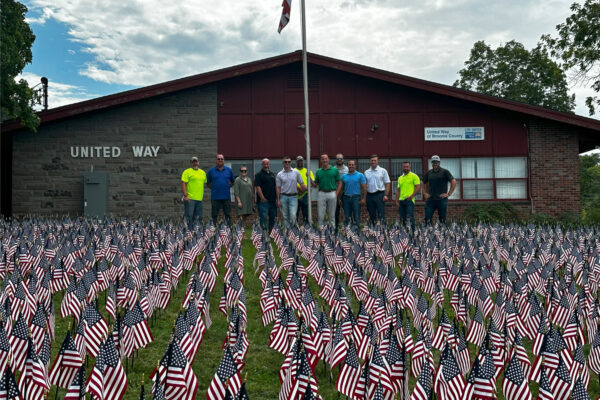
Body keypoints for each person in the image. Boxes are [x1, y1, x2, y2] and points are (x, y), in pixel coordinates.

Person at [422, 155, 456, 224]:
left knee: (442, 220)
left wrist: (449, 194)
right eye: (433, 162)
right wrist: (424, 193)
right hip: (430, 200)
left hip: (442, 199)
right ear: (432, 163)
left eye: (436, 162)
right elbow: (422, 182)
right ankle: (429, 233)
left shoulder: (445, 172)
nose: (435, 164)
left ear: (439, 163)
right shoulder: (429, 173)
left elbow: (454, 182)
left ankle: (441, 234)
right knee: (427, 220)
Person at [276, 156, 306, 228]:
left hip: (293, 197)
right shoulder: (279, 174)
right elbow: (278, 187)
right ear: (283, 163)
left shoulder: (296, 172)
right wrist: (278, 199)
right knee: (285, 216)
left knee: (293, 215)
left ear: (291, 163)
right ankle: (287, 232)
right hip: (283, 197)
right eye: (285, 162)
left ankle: (293, 232)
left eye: (289, 162)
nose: (287, 163)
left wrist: (306, 188)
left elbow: (301, 183)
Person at [312, 153, 341, 228]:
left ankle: (332, 232)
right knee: (321, 215)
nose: (324, 160)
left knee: (332, 215)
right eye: (323, 159)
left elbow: (340, 183)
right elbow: (315, 185)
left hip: (332, 193)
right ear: (321, 160)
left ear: (328, 159)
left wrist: (336, 194)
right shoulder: (318, 171)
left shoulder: (335, 170)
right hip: (322, 193)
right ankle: (320, 232)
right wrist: (309, 178)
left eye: (326, 158)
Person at [207, 154, 235, 224]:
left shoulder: (229, 170)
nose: (220, 160)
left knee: (228, 215)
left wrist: (227, 187)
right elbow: (208, 183)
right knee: (214, 215)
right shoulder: (211, 171)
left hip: (226, 197)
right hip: (215, 197)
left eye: (221, 159)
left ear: (224, 160)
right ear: (216, 160)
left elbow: (232, 182)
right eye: (218, 159)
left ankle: (229, 231)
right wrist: (214, 188)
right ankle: (214, 231)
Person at [364, 154, 391, 225]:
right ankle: (373, 232)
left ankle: (383, 232)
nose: (373, 162)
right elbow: (365, 185)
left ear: (377, 161)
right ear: (370, 161)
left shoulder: (383, 171)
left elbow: (387, 183)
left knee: (381, 214)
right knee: (372, 215)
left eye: (375, 160)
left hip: (380, 195)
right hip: (370, 195)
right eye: (372, 160)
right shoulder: (366, 172)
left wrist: (386, 195)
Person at [394, 161, 421, 230]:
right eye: (404, 167)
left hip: (409, 200)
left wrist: (411, 196)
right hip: (401, 201)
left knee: (410, 218)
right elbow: (398, 190)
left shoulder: (414, 176)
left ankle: (413, 234)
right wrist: (396, 201)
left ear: (410, 167)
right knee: (402, 219)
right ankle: (405, 234)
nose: (406, 168)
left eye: (407, 167)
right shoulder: (400, 178)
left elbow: (418, 187)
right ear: (402, 168)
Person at [181, 156, 206, 228]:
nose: (195, 163)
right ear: (190, 163)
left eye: (196, 161)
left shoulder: (203, 173)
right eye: (193, 162)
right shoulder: (187, 172)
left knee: (199, 217)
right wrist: (185, 195)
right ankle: (188, 233)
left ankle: (196, 234)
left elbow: (206, 183)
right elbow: (183, 184)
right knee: (189, 217)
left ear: (198, 162)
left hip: (199, 199)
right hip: (190, 199)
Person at [340, 159, 366, 227]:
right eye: (349, 165)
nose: (351, 166)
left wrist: (364, 199)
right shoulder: (344, 176)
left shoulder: (360, 175)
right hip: (346, 198)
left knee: (356, 216)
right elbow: (342, 189)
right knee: (347, 217)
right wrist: (339, 199)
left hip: (356, 198)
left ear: (355, 166)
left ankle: (357, 233)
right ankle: (347, 233)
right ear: (347, 166)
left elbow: (364, 188)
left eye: (352, 165)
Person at [255, 158, 277, 232]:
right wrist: (262, 197)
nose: (266, 165)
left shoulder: (272, 174)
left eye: (267, 164)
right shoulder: (258, 175)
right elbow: (258, 187)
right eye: (264, 164)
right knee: (263, 218)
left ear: (269, 164)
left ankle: (271, 233)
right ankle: (263, 234)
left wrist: (277, 198)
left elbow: (275, 186)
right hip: (263, 201)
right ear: (262, 165)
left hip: (272, 201)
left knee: (273, 218)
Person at [294, 156, 314, 224]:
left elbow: (313, 184)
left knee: (306, 215)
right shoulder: (293, 171)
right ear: (296, 162)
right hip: (295, 196)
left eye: (301, 161)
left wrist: (304, 190)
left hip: (305, 195)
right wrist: (299, 189)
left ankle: (306, 231)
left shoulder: (308, 171)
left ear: (303, 162)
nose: (300, 162)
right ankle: (294, 232)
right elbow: (290, 182)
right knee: (294, 216)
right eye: (298, 161)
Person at [334, 153, 349, 229]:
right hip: (335, 194)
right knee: (336, 212)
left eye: (341, 159)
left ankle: (347, 230)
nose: (339, 160)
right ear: (335, 160)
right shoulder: (333, 169)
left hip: (346, 193)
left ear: (343, 160)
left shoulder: (347, 169)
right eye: (338, 159)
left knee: (347, 213)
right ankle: (336, 229)